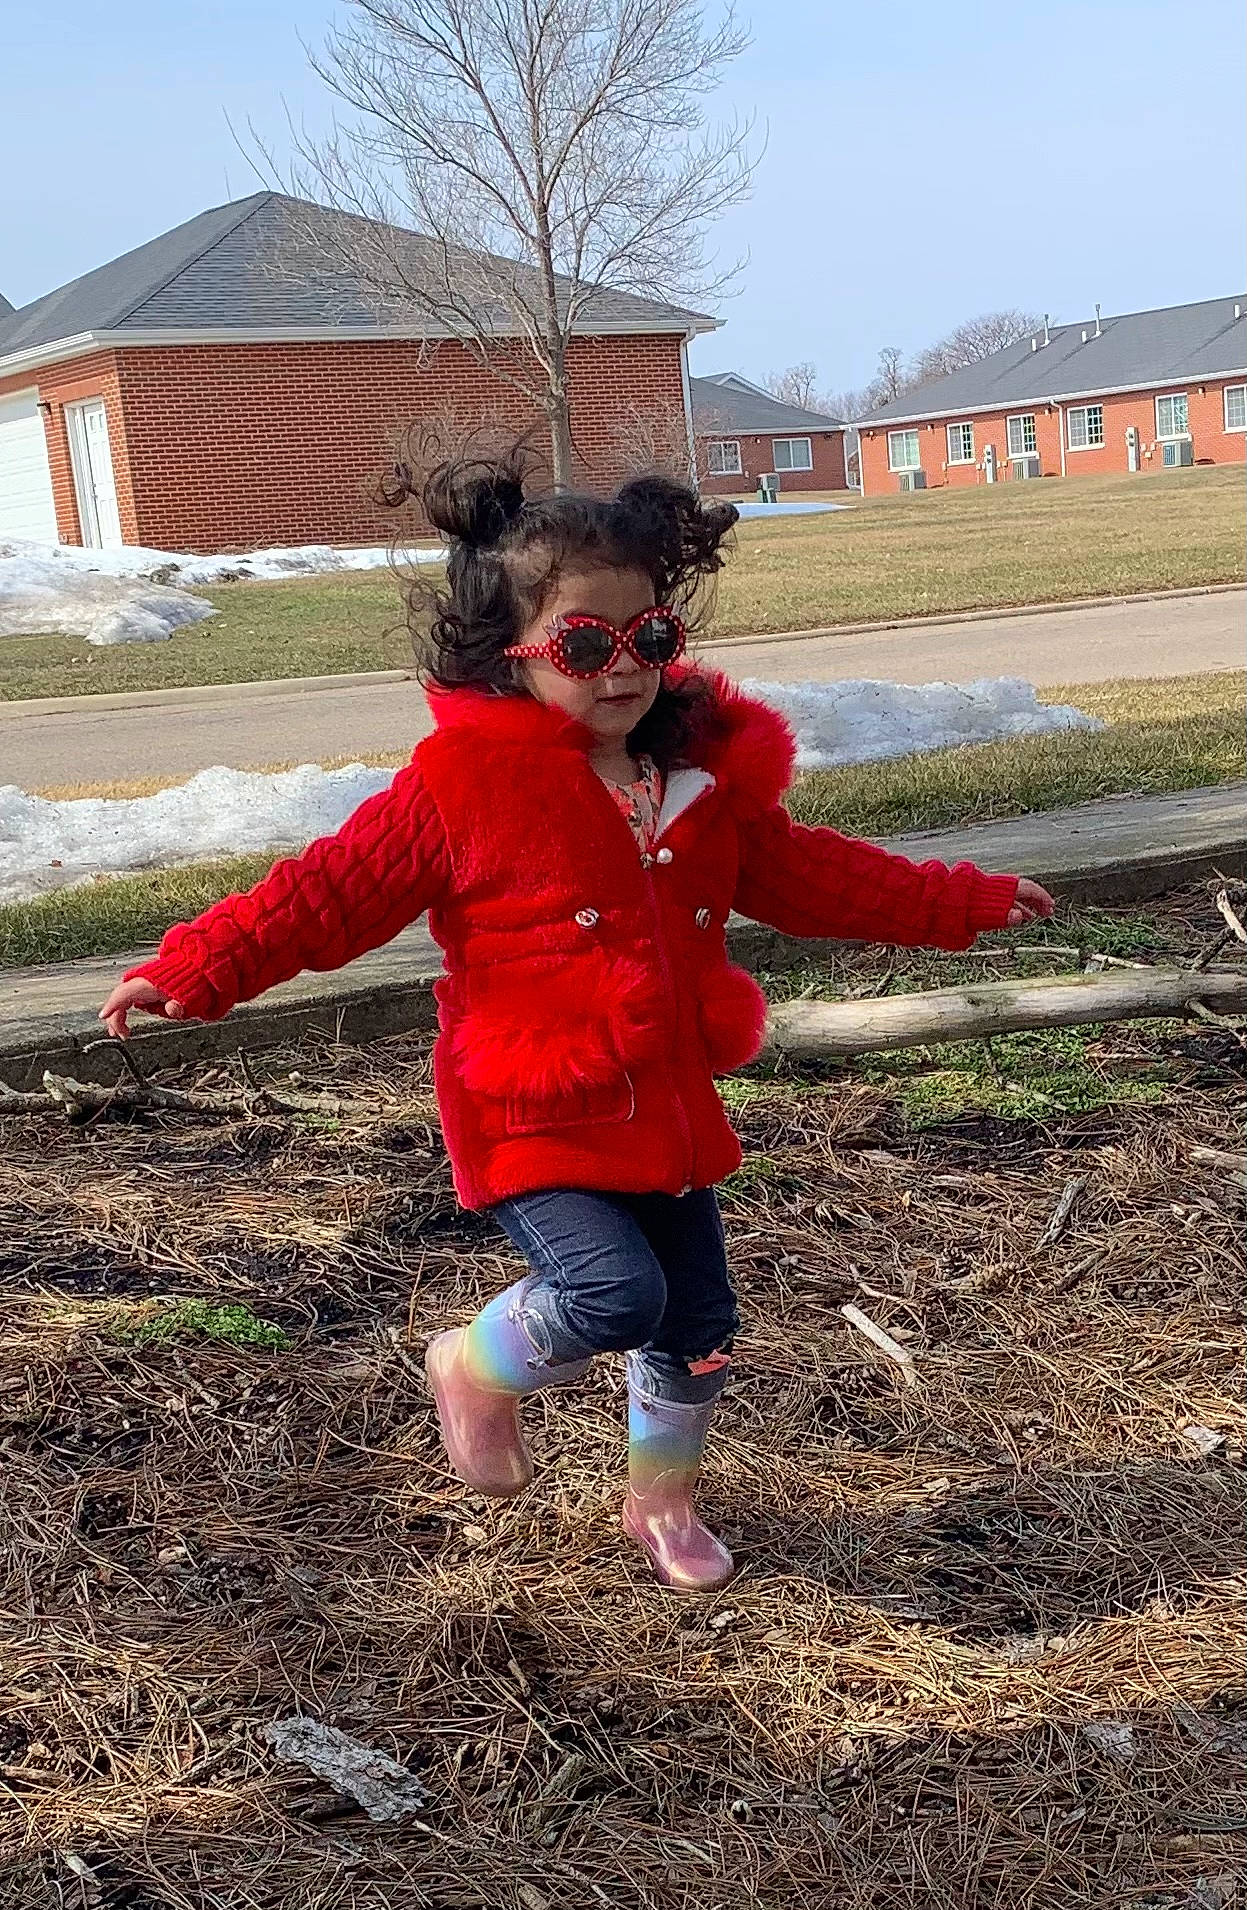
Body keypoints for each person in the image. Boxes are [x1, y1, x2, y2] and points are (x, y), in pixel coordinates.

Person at [99, 453, 1054, 1594]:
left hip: (666, 1105)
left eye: (646, 640)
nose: (622, 671)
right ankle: (469, 1362)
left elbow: (819, 878)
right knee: (612, 1294)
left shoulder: (693, 783)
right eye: (583, 647)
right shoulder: (462, 787)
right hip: (529, 1103)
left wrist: (963, 898)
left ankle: (659, 1501)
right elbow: (323, 893)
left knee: (696, 1321)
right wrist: (193, 965)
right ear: (507, 656)